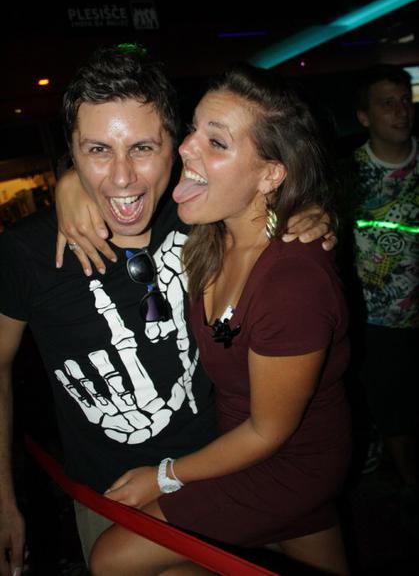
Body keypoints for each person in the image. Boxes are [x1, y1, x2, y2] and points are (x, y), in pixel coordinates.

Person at [0, 45, 334, 576]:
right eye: (97, 150)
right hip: (114, 495)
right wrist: (3, 498)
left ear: (174, 149)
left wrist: (307, 213)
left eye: (142, 147)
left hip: (230, 468)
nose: (122, 178)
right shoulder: (25, 252)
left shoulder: (199, 217)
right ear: (72, 151)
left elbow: (262, 200)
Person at [348, 65, 418, 503]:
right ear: (364, 117)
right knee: (394, 410)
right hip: (376, 322)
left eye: (404, 101)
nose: (400, 111)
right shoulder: (349, 174)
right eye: (387, 103)